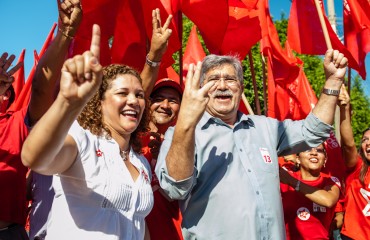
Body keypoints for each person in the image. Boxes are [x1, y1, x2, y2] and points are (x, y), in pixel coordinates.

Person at [155, 49, 348, 239]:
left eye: (230, 79)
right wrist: (186, 124)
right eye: (213, 80)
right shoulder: (182, 133)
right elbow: (174, 188)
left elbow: (313, 132)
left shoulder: (265, 127)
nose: (222, 85)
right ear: (201, 87)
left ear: (240, 86)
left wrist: (332, 83)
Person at [21, 24, 154, 240]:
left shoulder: (141, 162)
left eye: (139, 95)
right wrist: (67, 102)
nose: (134, 101)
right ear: (99, 102)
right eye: (122, 93)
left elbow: (137, 223)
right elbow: (34, 157)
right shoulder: (82, 140)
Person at [26, 1, 82, 239]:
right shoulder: (46, 129)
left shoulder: (104, 135)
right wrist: (66, 33)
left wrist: (153, 58)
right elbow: (40, 87)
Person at [143, 77, 184, 240]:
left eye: (172, 101)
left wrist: (168, 156)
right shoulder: (130, 141)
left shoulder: (186, 145)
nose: (165, 105)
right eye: (158, 99)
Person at [279, 144, 341, 239]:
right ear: (298, 159)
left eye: (319, 150)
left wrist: (291, 181)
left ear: (325, 159)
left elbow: (328, 201)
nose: (314, 153)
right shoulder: (284, 180)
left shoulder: (331, 181)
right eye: (307, 150)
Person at [338, 84, 370, 240]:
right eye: (365, 140)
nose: (368, 143)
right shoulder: (358, 167)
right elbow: (349, 144)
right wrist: (344, 109)